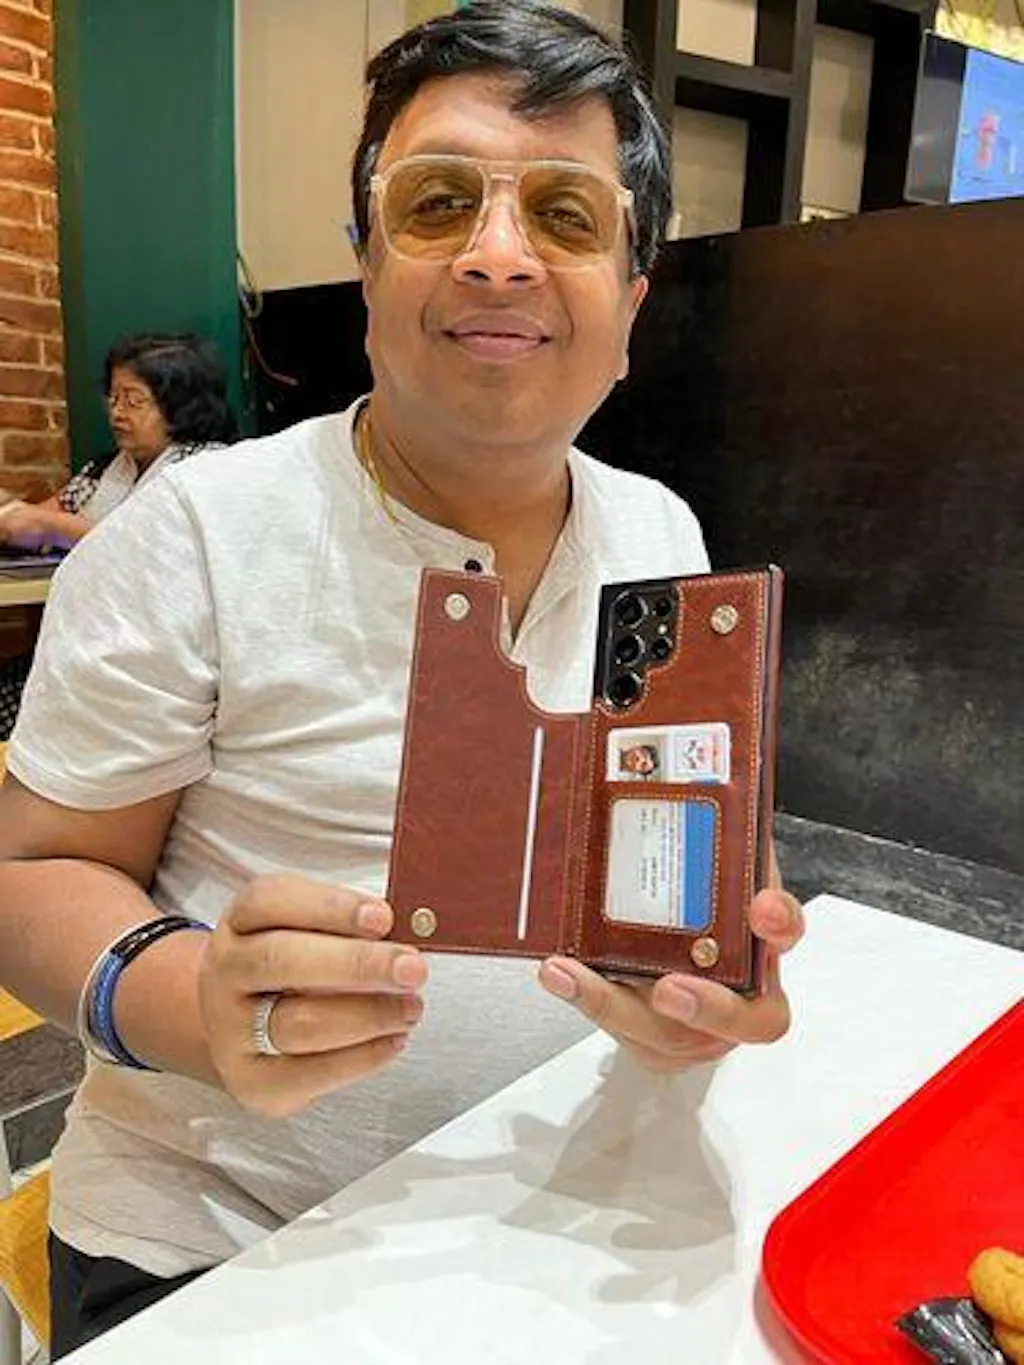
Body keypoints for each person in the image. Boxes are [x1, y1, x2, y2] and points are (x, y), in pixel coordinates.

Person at [0, 4, 804, 1357]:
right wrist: (194, 1002)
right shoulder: (195, 536)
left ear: (631, 301)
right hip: (224, 1239)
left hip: (567, 1210)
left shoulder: (661, 533)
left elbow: (700, 843)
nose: (499, 255)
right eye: (437, 205)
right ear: (365, 265)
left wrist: (717, 978)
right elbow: (31, 873)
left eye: (564, 215)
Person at [0, 332, 238, 739]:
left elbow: (155, 545)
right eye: (113, 398)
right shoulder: (106, 469)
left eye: (134, 400)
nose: (117, 412)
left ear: (180, 404)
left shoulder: (208, 467)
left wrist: (51, 526)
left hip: (163, 659)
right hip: (90, 641)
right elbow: (42, 516)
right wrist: (13, 513)